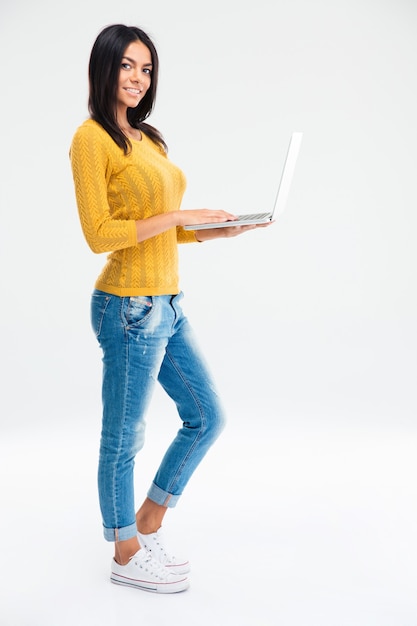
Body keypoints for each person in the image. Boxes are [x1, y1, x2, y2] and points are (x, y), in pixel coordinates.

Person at [70, 23, 272, 594]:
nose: (138, 78)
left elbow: (158, 235)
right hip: (126, 307)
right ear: (105, 68)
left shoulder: (148, 139)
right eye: (128, 66)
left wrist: (216, 233)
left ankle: (147, 522)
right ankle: (125, 553)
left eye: (147, 69)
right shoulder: (92, 139)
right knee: (124, 436)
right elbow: (101, 234)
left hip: (166, 302)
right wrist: (184, 218)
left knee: (208, 416)